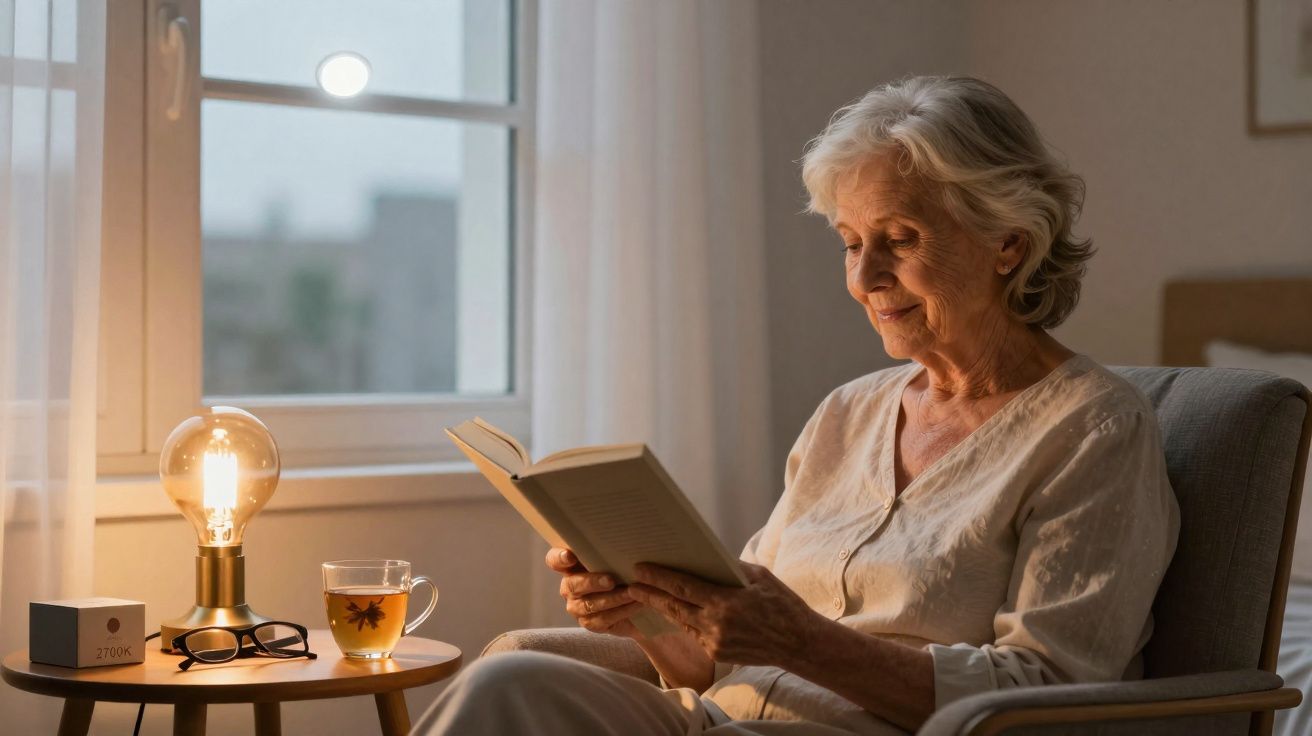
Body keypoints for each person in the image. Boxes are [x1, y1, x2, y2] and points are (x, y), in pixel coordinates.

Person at [413, 75, 1180, 735]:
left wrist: (803, 642)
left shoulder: (1095, 429)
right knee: (507, 676)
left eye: (900, 238)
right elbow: (720, 661)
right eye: (851, 242)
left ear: (1008, 243)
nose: (866, 278)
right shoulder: (849, 413)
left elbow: (1050, 698)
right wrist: (642, 610)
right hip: (718, 717)